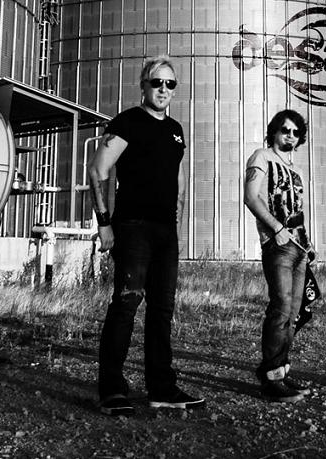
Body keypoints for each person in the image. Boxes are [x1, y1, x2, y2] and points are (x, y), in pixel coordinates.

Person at [88, 55, 204, 416]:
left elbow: (179, 179)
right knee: (126, 304)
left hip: (165, 232)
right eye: (157, 82)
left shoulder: (176, 130)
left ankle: (161, 388)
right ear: (143, 85)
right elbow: (98, 170)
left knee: (162, 310)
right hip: (133, 227)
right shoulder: (128, 122)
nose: (163, 90)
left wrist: (177, 226)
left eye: (170, 84)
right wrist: (104, 223)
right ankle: (111, 390)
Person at [244, 109, 315, 403]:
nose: (290, 135)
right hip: (278, 245)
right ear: (274, 131)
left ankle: (281, 371)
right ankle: (271, 377)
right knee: (281, 309)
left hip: (299, 248)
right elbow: (251, 196)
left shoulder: (296, 171)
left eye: (296, 132)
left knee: (293, 314)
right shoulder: (262, 157)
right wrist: (276, 229)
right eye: (285, 130)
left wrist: (308, 244)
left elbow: (297, 211)